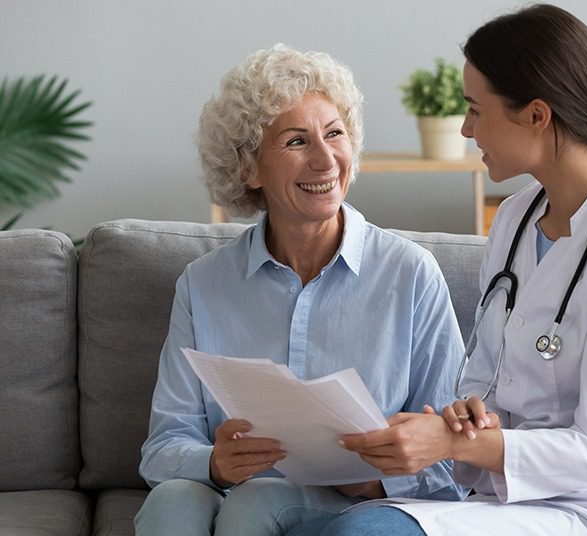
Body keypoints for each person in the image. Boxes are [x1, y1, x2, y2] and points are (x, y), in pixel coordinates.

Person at [288, 4, 587, 536]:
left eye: (476, 110)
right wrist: (453, 422)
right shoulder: (515, 217)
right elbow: (485, 385)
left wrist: (452, 441)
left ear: (536, 115)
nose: (465, 128)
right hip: (504, 495)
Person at [134, 44, 466, 536]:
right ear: (249, 168)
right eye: (296, 142)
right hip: (231, 493)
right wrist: (216, 464)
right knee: (172, 503)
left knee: (256, 504)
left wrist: (377, 481)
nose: (326, 159)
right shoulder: (204, 284)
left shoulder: (410, 273)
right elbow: (163, 448)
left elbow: (454, 458)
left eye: (335, 134)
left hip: (349, 509)